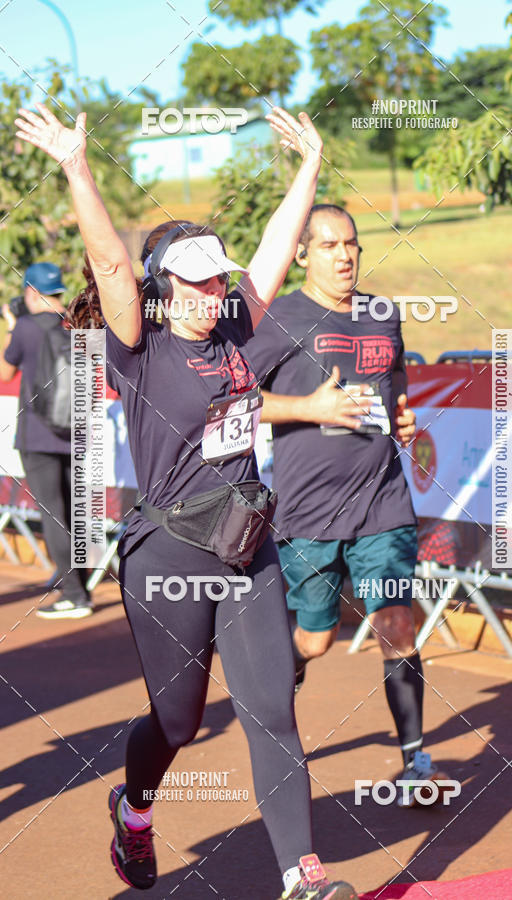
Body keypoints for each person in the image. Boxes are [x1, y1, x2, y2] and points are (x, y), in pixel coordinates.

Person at [15, 104, 358, 899]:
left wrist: (307, 167)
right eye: (195, 280)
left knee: (272, 707)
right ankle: (133, 807)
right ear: (162, 286)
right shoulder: (141, 342)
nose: (212, 291)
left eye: (216, 277)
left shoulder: (236, 325)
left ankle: (301, 876)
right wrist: (76, 166)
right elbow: (105, 261)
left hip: (246, 545)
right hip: (167, 553)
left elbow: (274, 250)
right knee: (177, 722)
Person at [245, 203, 448, 806]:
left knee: (396, 623)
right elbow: (234, 400)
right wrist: (311, 408)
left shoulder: (382, 314)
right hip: (308, 512)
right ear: (302, 255)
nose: (345, 256)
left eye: (352, 244)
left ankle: (415, 760)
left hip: (383, 499)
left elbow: (398, 387)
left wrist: (405, 419)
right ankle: (280, 695)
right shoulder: (280, 318)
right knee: (315, 638)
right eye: (330, 246)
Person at [0, 262, 92, 618]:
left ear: (30, 293)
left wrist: (12, 326)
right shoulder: (76, 322)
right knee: (74, 510)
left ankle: (75, 595)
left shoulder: (25, 328)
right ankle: (74, 577)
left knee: (53, 512)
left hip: (39, 433)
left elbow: (5, 372)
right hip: (76, 431)